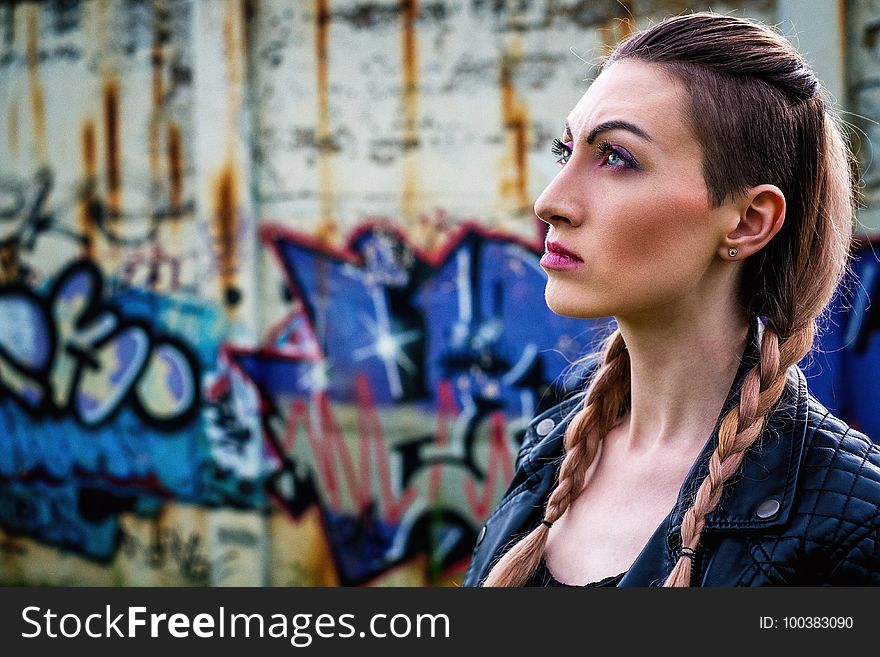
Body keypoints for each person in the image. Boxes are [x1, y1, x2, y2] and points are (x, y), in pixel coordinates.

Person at [462, 11, 880, 587]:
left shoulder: (852, 521)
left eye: (616, 157)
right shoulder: (553, 447)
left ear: (748, 223)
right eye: (567, 152)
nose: (550, 201)